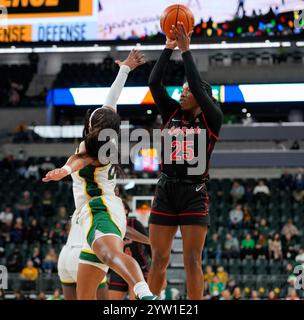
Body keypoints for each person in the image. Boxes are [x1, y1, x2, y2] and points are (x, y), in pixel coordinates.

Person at [43, 49, 157, 300]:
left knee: (113, 256)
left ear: (91, 126)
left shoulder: (91, 147)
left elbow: (79, 159)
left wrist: (64, 169)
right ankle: (143, 290)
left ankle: (144, 293)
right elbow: (111, 99)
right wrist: (125, 69)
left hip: (99, 208)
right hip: (94, 216)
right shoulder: (107, 136)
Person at [147, 22, 223, 300]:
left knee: (192, 259)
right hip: (166, 190)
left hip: (194, 192)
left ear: (202, 98)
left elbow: (200, 90)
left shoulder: (212, 118)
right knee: (158, 259)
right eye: (182, 88)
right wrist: (168, 49)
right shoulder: (171, 112)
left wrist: (187, 52)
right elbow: (154, 83)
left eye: (189, 90)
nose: (183, 92)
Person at [108, 202, 151, 300]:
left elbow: (149, 243)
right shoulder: (110, 225)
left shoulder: (134, 223)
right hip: (118, 267)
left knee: (135, 297)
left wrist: (153, 267)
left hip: (138, 267)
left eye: (121, 208)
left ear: (126, 211)